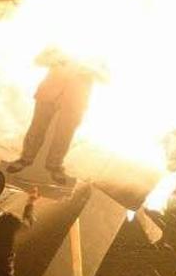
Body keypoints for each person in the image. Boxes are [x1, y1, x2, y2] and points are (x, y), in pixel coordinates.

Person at [6, 55, 105, 184]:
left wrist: (92, 70)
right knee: (36, 128)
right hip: (48, 93)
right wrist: (55, 59)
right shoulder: (61, 43)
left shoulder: (100, 55)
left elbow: (105, 77)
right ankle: (25, 159)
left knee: (64, 134)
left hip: (75, 100)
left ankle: (54, 166)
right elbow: (39, 60)